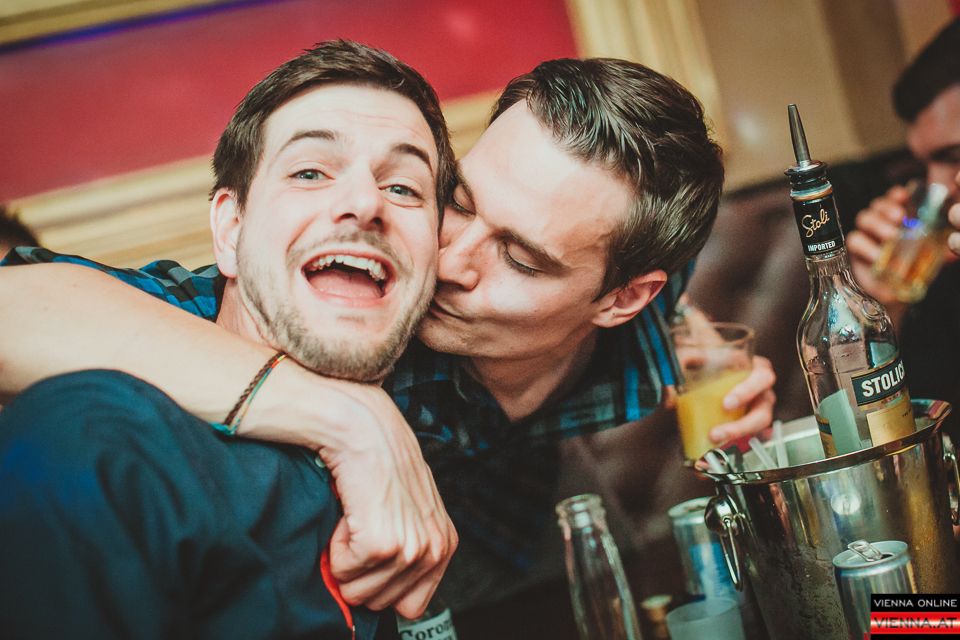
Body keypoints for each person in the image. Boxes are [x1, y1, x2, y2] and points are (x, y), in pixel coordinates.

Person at [0, 56, 776, 608]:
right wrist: (349, 416)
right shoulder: (354, 313)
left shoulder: (646, 292)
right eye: (459, 201)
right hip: (391, 561)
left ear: (621, 299)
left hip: (540, 521)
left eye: (519, 258)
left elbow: (674, 306)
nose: (448, 261)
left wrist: (704, 356)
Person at [0, 40, 459, 638]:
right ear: (230, 230)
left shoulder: (453, 391)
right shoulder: (110, 448)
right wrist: (350, 418)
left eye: (404, 188)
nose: (365, 202)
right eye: (310, 172)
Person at [846, 18, 960, 429]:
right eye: (925, 164)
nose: (937, 186)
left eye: (954, 156)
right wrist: (879, 314)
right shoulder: (936, 279)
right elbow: (874, 431)